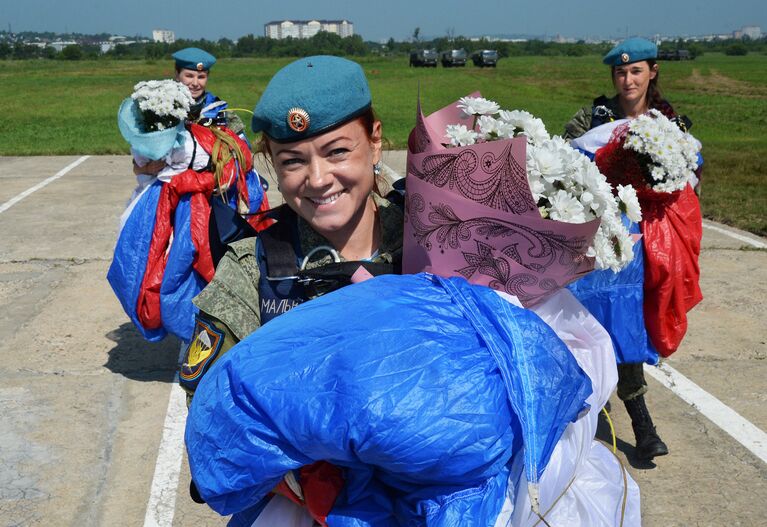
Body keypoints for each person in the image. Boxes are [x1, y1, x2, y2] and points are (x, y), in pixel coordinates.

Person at [179, 54, 403, 401]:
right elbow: (213, 414)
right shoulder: (252, 272)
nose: (317, 179)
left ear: (374, 142)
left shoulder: (433, 239)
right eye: (293, 161)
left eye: (337, 152)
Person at [564, 37, 690, 461]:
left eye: (635, 70)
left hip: (647, 241)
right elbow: (565, 161)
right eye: (620, 72)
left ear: (652, 72)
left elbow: (686, 176)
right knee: (594, 320)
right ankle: (608, 415)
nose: (627, 79)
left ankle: (638, 418)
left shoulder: (668, 122)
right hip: (600, 237)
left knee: (631, 322)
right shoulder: (592, 117)